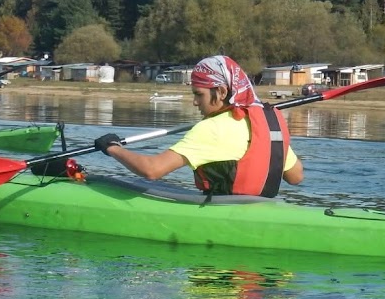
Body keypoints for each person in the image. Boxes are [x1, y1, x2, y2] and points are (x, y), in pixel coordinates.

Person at [93, 55, 303, 197]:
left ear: (221, 92)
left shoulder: (211, 129)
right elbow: (296, 176)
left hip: (222, 216)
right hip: (264, 210)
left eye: (198, 94)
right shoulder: (268, 124)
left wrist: (112, 148)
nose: (195, 102)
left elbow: (152, 170)